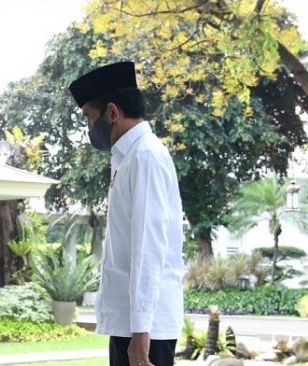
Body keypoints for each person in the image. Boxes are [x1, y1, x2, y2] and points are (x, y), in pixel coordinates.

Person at [69, 62, 185, 366]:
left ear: (111, 112)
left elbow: (148, 248)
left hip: (145, 330)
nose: (89, 128)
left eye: (89, 118)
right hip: (131, 325)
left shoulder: (145, 156)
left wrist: (140, 335)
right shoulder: (128, 157)